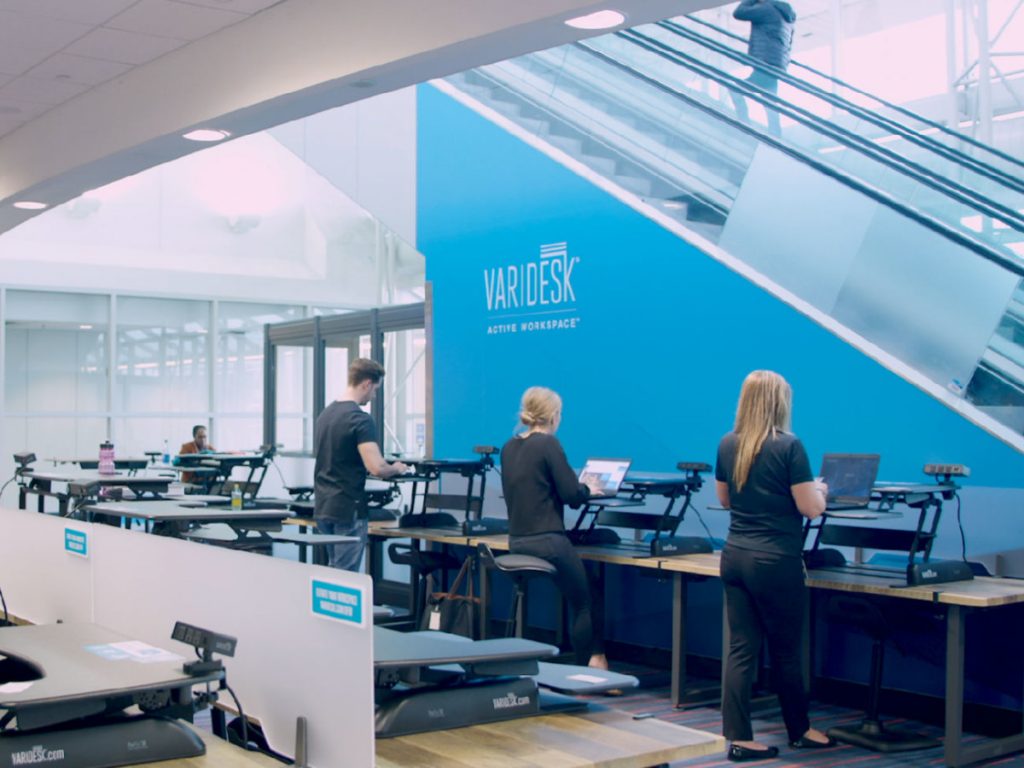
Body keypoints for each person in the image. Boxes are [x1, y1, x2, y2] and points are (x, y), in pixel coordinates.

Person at [714, 370, 835, 761]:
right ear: (780, 403)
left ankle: (738, 737)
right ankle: (799, 729)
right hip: (775, 560)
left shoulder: (727, 443)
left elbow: (724, 500)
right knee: (786, 650)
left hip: (735, 556)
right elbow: (810, 508)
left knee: (740, 650)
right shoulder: (789, 446)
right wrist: (820, 490)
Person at [499, 386, 609, 669]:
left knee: (581, 589)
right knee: (587, 599)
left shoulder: (509, 447)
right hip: (547, 541)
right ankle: (591, 667)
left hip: (517, 541)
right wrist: (590, 489)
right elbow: (572, 495)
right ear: (554, 416)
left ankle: (594, 662)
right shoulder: (548, 444)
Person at [314, 358, 408, 572]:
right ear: (366, 383)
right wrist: (397, 468)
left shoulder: (326, 415)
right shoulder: (359, 419)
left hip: (323, 506)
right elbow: (376, 467)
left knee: (333, 570)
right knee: (346, 576)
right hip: (348, 509)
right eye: (375, 389)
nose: (373, 395)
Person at [731, 0, 797, 136]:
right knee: (770, 100)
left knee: (736, 90)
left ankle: (744, 127)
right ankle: (776, 136)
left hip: (765, 62)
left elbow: (739, 13)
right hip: (777, 63)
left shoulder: (766, 9)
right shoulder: (786, 16)